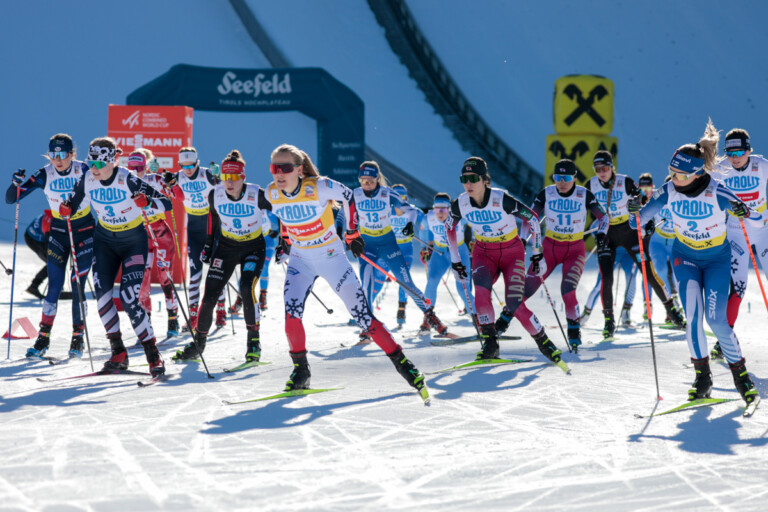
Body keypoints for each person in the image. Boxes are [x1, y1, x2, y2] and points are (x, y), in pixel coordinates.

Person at [262, 143, 427, 396]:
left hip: (331, 258)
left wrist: (352, 232)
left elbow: (349, 196)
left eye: (285, 168)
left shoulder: (319, 186)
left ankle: (404, 365)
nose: (278, 174)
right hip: (300, 261)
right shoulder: (273, 192)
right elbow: (284, 215)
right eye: (274, 168)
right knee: (291, 315)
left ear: (299, 169)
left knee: (362, 315)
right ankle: (301, 372)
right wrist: (285, 239)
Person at [629, 120, 759, 406]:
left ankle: (742, 379)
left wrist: (740, 208)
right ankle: (703, 379)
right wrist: (634, 212)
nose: (673, 178)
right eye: (671, 172)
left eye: (679, 175)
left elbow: (744, 209)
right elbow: (638, 221)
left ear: (696, 172)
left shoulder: (717, 190)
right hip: (685, 257)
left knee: (717, 320)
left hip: (716, 260)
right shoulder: (668, 191)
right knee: (693, 320)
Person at [61, 136, 171, 376]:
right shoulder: (88, 178)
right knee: (101, 297)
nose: (94, 169)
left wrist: (148, 201)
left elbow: (167, 204)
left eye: (100, 164)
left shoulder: (127, 179)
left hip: (133, 242)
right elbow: (75, 199)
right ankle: (118, 352)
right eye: (91, 163)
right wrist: (68, 207)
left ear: (112, 162)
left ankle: (153, 355)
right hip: (105, 242)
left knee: (130, 298)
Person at [445, 157, 564, 365]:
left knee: (514, 304)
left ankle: (545, 343)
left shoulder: (501, 199)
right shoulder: (461, 204)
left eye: (473, 178)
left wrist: (537, 253)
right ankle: (490, 344)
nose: (468, 184)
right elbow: (449, 227)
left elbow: (533, 219)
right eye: (464, 179)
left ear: (484, 180)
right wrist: (455, 260)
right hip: (484, 252)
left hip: (511, 252)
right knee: (481, 296)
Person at [173, 150, 267, 363]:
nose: (229, 182)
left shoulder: (256, 193)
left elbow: (279, 209)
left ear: (243, 177)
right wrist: (208, 244)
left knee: (246, 288)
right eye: (226, 177)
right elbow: (212, 218)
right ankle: (199, 343)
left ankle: (253, 342)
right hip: (226, 247)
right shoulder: (215, 194)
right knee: (210, 293)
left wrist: (285, 239)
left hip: (253, 248)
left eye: (234, 177)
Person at [6, 133, 94, 358]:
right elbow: (11, 198)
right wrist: (15, 184)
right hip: (58, 232)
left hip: (83, 231)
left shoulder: (83, 169)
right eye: (53, 154)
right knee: (54, 286)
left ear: (72, 154)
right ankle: (42, 339)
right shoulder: (45, 173)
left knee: (77, 286)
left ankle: (77, 339)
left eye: (63, 154)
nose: (58, 159)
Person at [588, 150, 684, 340]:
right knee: (606, 277)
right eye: (598, 169)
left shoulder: (624, 181)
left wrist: (636, 204)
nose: (602, 172)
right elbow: (586, 207)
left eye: (605, 168)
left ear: (612, 168)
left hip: (629, 232)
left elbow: (642, 198)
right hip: (608, 234)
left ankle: (672, 311)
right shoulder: (590, 185)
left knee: (648, 273)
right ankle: (609, 321)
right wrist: (594, 227)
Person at [352, 161, 449, 336]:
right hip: (371, 246)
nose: (367, 184)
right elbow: (345, 215)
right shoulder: (357, 195)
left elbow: (414, 212)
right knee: (370, 283)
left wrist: (412, 225)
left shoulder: (388, 195)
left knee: (407, 283)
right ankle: (367, 324)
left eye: (371, 180)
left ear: (377, 179)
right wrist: (347, 234)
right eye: (363, 180)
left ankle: (431, 317)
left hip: (394, 247)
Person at [519, 159, 608, 350]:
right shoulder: (547, 193)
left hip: (574, 250)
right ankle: (502, 322)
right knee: (525, 288)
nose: (561, 182)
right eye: (557, 177)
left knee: (567, 291)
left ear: (574, 178)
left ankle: (574, 332)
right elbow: (529, 217)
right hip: (550, 247)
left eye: (566, 178)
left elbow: (604, 218)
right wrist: (522, 239)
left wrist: (601, 234)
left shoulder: (584, 194)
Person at [711, 129, 768, 347]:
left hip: (763, 230)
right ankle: (723, 341)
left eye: (739, 153)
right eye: (730, 153)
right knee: (738, 287)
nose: (735, 158)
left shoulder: (760, 165)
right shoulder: (720, 169)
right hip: (736, 232)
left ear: (748, 151)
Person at [163, 147, 226, 331]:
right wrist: (164, 179)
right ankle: (193, 317)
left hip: (212, 226)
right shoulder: (178, 177)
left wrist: (219, 177)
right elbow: (166, 185)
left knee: (216, 272)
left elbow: (225, 188)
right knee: (195, 274)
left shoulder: (207, 174)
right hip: (194, 229)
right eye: (184, 165)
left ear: (197, 162)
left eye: (191, 165)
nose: (188, 169)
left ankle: (220, 311)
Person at [127, 149, 180, 338]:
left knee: (165, 276)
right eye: (131, 168)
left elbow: (177, 198)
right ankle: (146, 322)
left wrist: (171, 184)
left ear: (146, 167)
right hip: (140, 234)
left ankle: (173, 316)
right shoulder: (125, 183)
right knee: (143, 280)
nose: (135, 171)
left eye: (139, 167)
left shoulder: (155, 180)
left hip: (159, 231)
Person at [419, 193, 474, 321]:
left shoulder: (459, 216)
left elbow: (474, 223)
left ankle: (478, 318)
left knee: (462, 287)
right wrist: (424, 248)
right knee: (432, 281)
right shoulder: (429, 218)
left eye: (443, 209)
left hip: (459, 252)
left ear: (449, 209)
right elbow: (423, 231)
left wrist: (474, 241)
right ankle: (428, 318)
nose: (440, 212)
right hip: (440, 253)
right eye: (437, 209)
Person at [641, 173, 680, 325]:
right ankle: (671, 311)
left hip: (676, 242)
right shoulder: (658, 199)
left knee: (679, 275)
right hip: (658, 242)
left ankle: (683, 309)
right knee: (661, 272)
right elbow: (644, 217)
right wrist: (647, 226)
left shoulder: (685, 200)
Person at [388, 184, 424, 325]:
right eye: (397, 198)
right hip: (389, 249)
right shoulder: (386, 211)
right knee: (377, 277)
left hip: (405, 249)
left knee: (404, 279)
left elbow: (429, 221)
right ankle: (366, 309)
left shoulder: (412, 211)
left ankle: (401, 307)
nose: (401, 202)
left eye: (404, 198)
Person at [23, 211, 53, 300]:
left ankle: (56, 285)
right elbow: (50, 250)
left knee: (55, 261)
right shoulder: (49, 224)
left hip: (38, 234)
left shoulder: (55, 214)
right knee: (52, 262)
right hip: (33, 239)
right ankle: (34, 286)